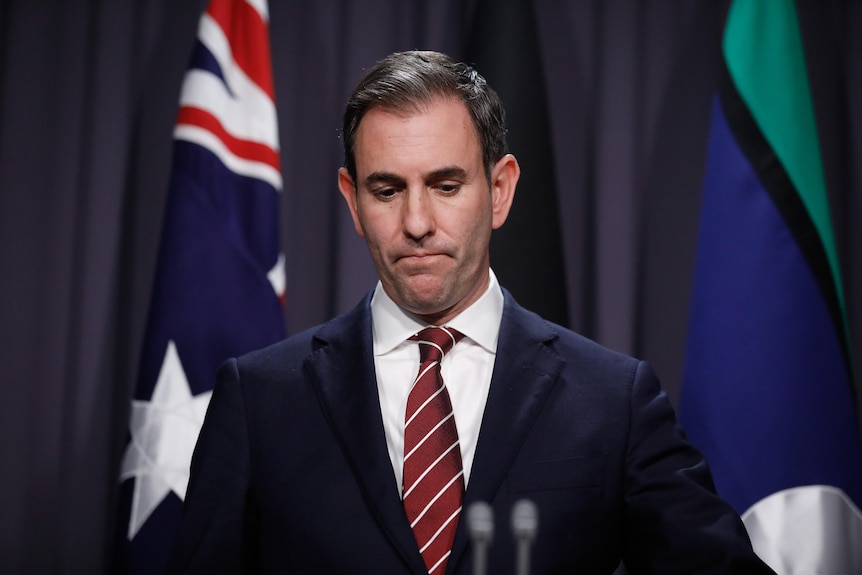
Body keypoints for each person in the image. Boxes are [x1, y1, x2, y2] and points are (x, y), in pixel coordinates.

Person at [166, 50, 774, 574]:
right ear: (353, 201)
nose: (417, 223)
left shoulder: (614, 400)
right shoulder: (259, 398)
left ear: (500, 190)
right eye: (387, 190)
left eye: (447, 185)